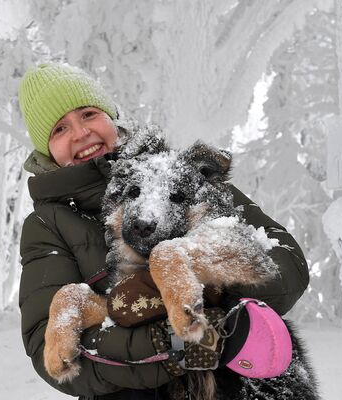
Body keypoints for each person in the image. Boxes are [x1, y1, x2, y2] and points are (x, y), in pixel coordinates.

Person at [17, 62, 310, 400]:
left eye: (87, 114)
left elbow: (286, 263)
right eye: (59, 129)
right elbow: (50, 353)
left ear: (111, 116)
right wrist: (170, 344)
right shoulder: (48, 224)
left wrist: (209, 293)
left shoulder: (184, 171)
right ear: (46, 150)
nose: (81, 133)